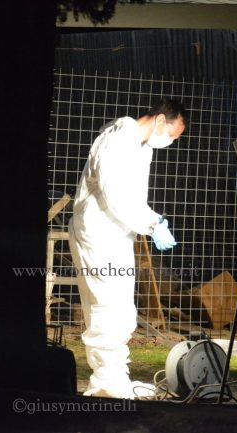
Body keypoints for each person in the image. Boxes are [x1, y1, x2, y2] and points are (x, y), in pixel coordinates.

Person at [68, 99, 187, 399]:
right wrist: (152, 224)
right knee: (106, 307)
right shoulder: (118, 139)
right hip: (98, 232)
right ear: (160, 120)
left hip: (115, 233)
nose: (172, 142)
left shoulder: (140, 147)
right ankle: (105, 383)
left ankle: (116, 377)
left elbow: (131, 199)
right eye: (173, 135)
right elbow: (116, 196)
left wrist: (153, 221)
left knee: (120, 309)